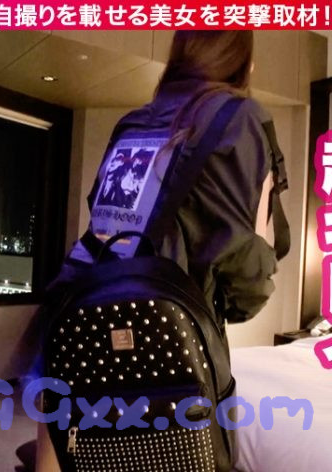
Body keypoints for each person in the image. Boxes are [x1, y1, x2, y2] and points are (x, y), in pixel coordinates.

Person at [34, 30, 285, 471]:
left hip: (80, 323)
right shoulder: (240, 118)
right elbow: (245, 290)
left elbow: (102, 223)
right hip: (169, 354)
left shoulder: (133, 123)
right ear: (243, 61)